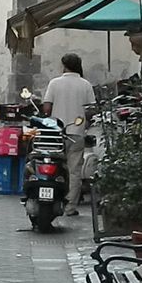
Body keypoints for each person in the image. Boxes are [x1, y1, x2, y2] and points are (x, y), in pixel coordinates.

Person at [43, 53, 96, 217]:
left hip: (55, 135)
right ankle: (70, 207)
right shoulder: (85, 84)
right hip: (76, 134)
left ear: (63, 66)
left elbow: (46, 108)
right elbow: (91, 110)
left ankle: (52, 201)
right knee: (74, 172)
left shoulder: (54, 83)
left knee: (54, 168)